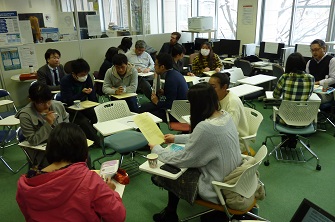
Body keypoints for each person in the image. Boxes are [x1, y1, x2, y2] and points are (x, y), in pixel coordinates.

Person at [149, 82, 242, 222]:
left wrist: (157, 150)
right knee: (177, 167)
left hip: (216, 187)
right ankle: (170, 212)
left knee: (167, 173)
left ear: (197, 104)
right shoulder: (224, 116)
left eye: (191, 103)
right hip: (232, 178)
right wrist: (176, 138)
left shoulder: (206, 127)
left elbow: (184, 158)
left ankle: (170, 214)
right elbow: (202, 139)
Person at [16, 122, 126, 222]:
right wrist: (111, 192)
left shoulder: (26, 184)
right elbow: (117, 217)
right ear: (83, 150)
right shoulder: (90, 181)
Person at [15, 82, 69, 168]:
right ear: (32, 100)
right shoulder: (25, 115)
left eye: (48, 101)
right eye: (41, 103)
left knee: (84, 156)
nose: (46, 105)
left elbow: (66, 123)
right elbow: (33, 140)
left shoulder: (58, 105)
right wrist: (48, 124)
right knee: (63, 165)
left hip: (62, 144)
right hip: (41, 151)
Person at [60, 58, 100, 145]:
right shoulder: (65, 81)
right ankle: (96, 141)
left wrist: (95, 105)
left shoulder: (87, 77)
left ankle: (91, 137)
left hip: (84, 105)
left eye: (86, 73)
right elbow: (68, 100)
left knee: (96, 114)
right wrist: (81, 93)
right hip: (70, 108)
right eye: (82, 74)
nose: (85, 76)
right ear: (74, 74)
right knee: (83, 121)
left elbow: (92, 93)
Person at [209, 72, 250, 154]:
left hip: (236, 141)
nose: (209, 90)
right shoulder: (216, 97)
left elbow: (230, 130)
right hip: (220, 133)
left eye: (213, 87)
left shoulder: (232, 103)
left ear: (224, 87)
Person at [139, 53, 188, 122]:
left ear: (162, 67)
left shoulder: (170, 79)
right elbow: (174, 95)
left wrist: (157, 102)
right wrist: (165, 92)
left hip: (175, 113)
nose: (154, 67)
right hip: (181, 108)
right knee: (144, 108)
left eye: (155, 64)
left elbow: (169, 104)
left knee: (145, 115)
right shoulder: (174, 74)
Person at [306, 39, 335, 104]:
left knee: (313, 100)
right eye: (312, 50)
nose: (314, 52)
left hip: (326, 92)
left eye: (316, 50)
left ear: (324, 48)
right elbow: (307, 77)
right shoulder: (310, 62)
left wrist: (318, 83)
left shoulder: (332, 60)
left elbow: (333, 79)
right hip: (312, 90)